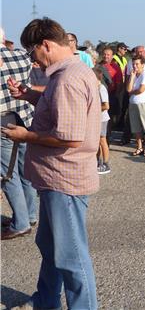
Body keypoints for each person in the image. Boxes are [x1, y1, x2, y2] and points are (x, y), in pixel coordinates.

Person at [3, 18, 99, 309]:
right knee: (50, 247)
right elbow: (59, 110)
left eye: (32, 53)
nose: (33, 60)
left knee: (71, 258)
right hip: (57, 179)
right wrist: (29, 94)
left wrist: (26, 135)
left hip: (64, 180)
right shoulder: (68, 73)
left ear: (46, 45)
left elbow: (69, 138)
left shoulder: (68, 78)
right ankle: (45, 301)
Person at [0, 27, 37, 240]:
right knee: (25, 170)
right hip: (25, 117)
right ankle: (30, 214)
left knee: (6, 173)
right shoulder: (21, 56)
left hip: (3, 120)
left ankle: (21, 223)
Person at [127, 56, 145, 157]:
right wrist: (132, 77)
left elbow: (141, 90)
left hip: (144, 103)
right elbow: (128, 89)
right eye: (133, 64)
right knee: (136, 127)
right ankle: (139, 147)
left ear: (142, 64)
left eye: (137, 64)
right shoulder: (134, 75)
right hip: (133, 103)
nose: (135, 66)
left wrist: (132, 92)